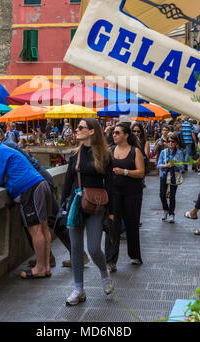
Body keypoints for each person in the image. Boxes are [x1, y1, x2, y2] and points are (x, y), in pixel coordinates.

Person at [0, 125, 88, 269]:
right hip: (40, 180)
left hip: (32, 185)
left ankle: (48, 262)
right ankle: (48, 260)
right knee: (47, 224)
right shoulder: (7, 146)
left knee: (41, 225)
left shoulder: (0, 149)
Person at [0, 133, 53, 278]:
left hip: (29, 188)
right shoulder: (4, 148)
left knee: (35, 230)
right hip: (40, 183)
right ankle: (45, 266)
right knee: (44, 227)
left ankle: (40, 268)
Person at [61, 117, 114, 306]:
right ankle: (79, 289)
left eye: (80, 127)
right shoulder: (76, 154)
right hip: (77, 204)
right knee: (75, 248)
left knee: (93, 248)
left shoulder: (104, 155)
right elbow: (68, 180)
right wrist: (63, 206)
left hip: (97, 205)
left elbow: (110, 185)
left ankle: (104, 274)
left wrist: (111, 211)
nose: (76, 130)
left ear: (92, 131)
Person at [105, 122, 145, 272]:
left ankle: (134, 255)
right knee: (112, 226)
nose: (114, 135)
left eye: (117, 133)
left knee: (132, 225)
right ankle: (110, 260)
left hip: (132, 194)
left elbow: (141, 172)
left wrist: (125, 172)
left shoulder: (135, 151)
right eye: (113, 133)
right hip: (114, 193)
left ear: (126, 135)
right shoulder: (110, 151)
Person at [157, 132, 184, 223]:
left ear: (176, 142)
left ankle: (171, 214)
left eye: (172, 141)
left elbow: (182, 167)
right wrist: (166, 165)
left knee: (172, 196)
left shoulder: (179, 153)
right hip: (163, 175)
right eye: (168, 141)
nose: (170, 143)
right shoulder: (163, 152)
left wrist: (176, 163)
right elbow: (158, 165)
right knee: (162, 194)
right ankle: (165, 210)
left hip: (174, 176)